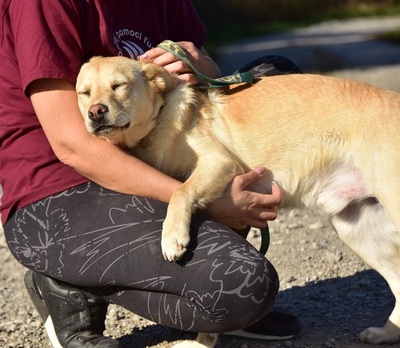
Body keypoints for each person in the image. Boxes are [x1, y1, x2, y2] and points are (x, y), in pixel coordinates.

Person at [0, 1, 302, 347]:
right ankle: (67, 288)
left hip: (144, 160)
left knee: (279, 74)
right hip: (61, 190)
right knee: (245, 287)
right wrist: (203, 202)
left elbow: (210, 77)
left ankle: (195, 294)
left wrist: (197, 64)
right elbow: (71, 145)